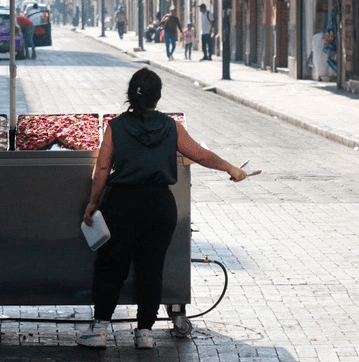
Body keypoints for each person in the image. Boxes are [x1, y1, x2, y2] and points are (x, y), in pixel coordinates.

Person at [78, 69, 249, 350]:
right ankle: (144, 332)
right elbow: (200, 154)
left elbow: (104, 168)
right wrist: (230, 167)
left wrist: (93, 202)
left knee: (111, 267)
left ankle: (100, 329)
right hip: (159, 207)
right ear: (158, 97)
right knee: (151, 268)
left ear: (131, 94)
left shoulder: (116, 127)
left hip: (122, 205)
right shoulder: (171, 127)